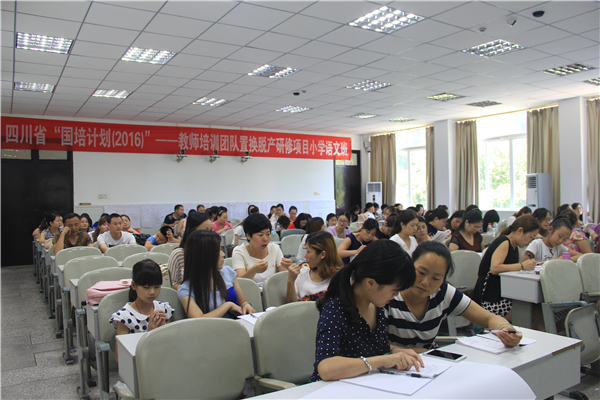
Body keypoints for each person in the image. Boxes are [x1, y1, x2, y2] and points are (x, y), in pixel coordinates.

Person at [311, 240, 422, 382]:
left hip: (365, 384)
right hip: (329, 389)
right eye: (394, 291)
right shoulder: (335, 310)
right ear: (371, 283)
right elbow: (326, 368)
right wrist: (382, 360)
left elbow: (380, 349)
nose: (396, 296)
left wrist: (395, 352)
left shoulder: (376, 306)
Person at [386, 242, 522, 352]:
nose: (426, 282)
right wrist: (417, 352)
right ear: (410, 263)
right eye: (421, 272)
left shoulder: (443, 293)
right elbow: (375, 345)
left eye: (436, 278)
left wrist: (505, 329)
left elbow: (488, 318)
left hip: (429, 365)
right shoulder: (389, 295)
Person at [473, 216, 539, 318]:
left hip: (500, 291)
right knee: (528, 311)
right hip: (490, 295)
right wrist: (522, 266)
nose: (530, 241)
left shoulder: (513, 245)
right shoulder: (504, 242)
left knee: (533, 308)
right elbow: (495, 268)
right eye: (531, 237)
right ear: (520, 231)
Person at [178, 230, 256, 318]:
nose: (223, 254)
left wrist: (246, 305)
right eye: (218, 250)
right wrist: (228, 305)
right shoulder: (186, 289)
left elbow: (242, 302)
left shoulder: (227, 272)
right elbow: (199, 319)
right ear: (204, 256)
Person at [110, 260, 174, 361]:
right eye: (146, 287)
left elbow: (171, 346)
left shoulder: (164, 310)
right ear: (133, 285)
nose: (152, 292)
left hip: (164, 361)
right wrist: (150, 333)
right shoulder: (125, 317)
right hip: (139, 364)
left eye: (157, 287)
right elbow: (120, 358)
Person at [232, 213, 292, 283]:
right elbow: (240, 282)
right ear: (248, 236)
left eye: (268, 234)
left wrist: (289, 268)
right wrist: (253, 271)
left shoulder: (274, 248)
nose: (265, 239)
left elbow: (283, 275)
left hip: (270, 289)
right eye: (260, 235)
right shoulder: (239, 251)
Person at [286, 231, 343, 303]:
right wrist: (290, 282)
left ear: (322, 255)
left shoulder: (340, 278)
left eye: (308, 251)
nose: (305, 255)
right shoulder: (301, 274)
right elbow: (292, 306)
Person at [168, 213, 213, 289]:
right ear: (192, 231)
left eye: (211, 230)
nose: (210, 235)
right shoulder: (178, 254)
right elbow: (171, 284)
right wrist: (193, 289)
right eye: (205, 230)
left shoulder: (212, 252)